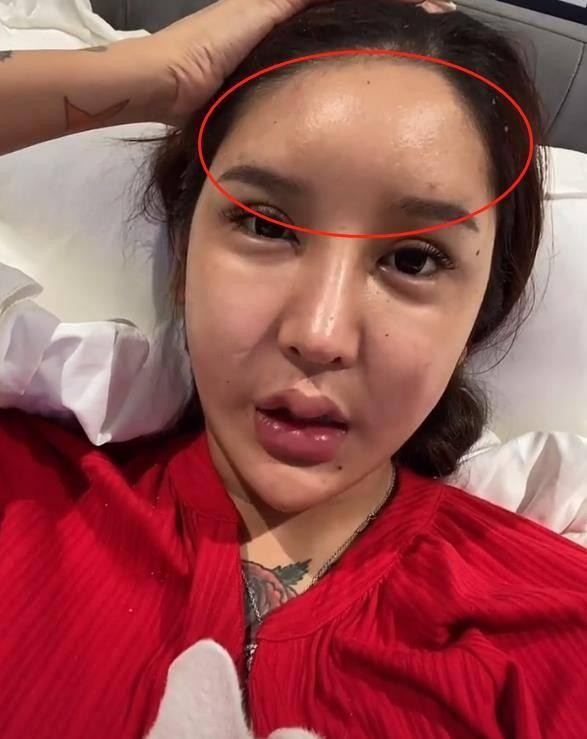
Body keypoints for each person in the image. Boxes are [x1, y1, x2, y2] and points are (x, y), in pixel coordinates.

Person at [0, 0, 585, 737]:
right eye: (264, 224)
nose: (319, 334)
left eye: (413, 260)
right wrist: (146, 76)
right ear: (182, 258)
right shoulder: (22, 493)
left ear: (477, 316)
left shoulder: (558, 634)